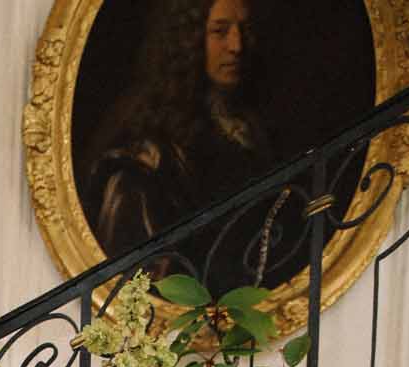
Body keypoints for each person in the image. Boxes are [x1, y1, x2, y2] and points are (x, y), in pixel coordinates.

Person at [82, 0, 284, 292]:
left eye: (245, 30)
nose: (236, 46)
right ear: (188, 40)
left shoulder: (250, 127)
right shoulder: (149, 153)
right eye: (219, 31)